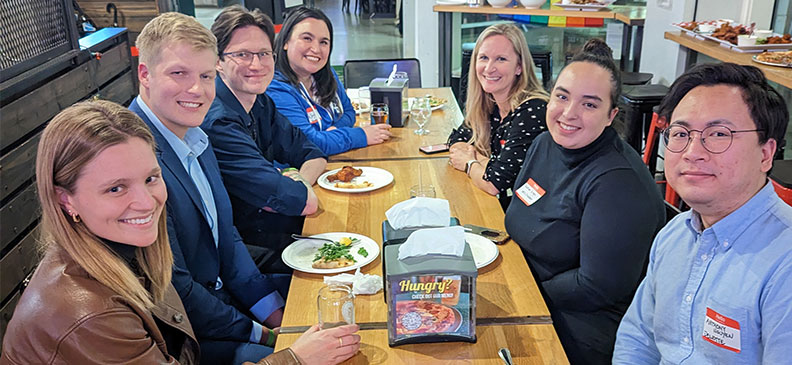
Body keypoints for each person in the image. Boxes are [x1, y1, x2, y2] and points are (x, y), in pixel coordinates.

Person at [1, 100, 361, 365]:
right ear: (66, 200)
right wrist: (293, 359)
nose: (146, 203)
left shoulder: (122, 243)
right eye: (115, 188)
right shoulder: (86, 316)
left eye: (150, 178)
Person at [130, 12, 296, 363]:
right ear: (144, 74)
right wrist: (264, 334)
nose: (197, 89)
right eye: (179, 73)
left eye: (205, 76)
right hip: (185, 336)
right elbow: (174, 288)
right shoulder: (134, 156)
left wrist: (272, 312)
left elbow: (226, 236)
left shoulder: (196, 136)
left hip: (224, 302)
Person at [613, 63, 792, 364]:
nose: (692, 151)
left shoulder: (783, 263)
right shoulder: (674, 234)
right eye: (681, 133)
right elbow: (638, 338)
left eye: (719, 134)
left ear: (765, 154)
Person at [503, 39, 666, 364]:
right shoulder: (544, 144)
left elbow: (596, 287)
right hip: (528, 292)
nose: (568, 113)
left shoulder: (617, 182)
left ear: (611, 115)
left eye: (589, 105)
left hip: (579, 328)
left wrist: (521, 292)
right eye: (562, 97)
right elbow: (519, 210)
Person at [203, 5, 326, 270]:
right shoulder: (219, 121)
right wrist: (299, 191)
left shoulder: (260, 102)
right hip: (242, 251)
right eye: (242, 54)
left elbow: (312, 152)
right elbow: (300, 201)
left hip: (274, 226)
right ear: (217, 61)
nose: (256, 65)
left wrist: (297, 179)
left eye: (263, 54)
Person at [447, 23, 549, 211]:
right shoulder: (489, 101)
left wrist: (470, 163)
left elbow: (494, 184)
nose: (489, 68)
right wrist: (487, 165)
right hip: (503, 204)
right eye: (483, 57)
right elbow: (457, 139)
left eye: (501, 59)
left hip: (530, 212)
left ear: (519, 67)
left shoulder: (532, 110)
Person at [267, 6, 392, 155]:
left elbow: (348, 112)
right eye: (307, 38)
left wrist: (334, 132)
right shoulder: (276, 88)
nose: (316, 49)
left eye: (324, 42)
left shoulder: (326, 74)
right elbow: (307, 143)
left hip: (335, 158)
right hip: (301, 170)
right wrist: (362, 135)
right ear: (285, 42)